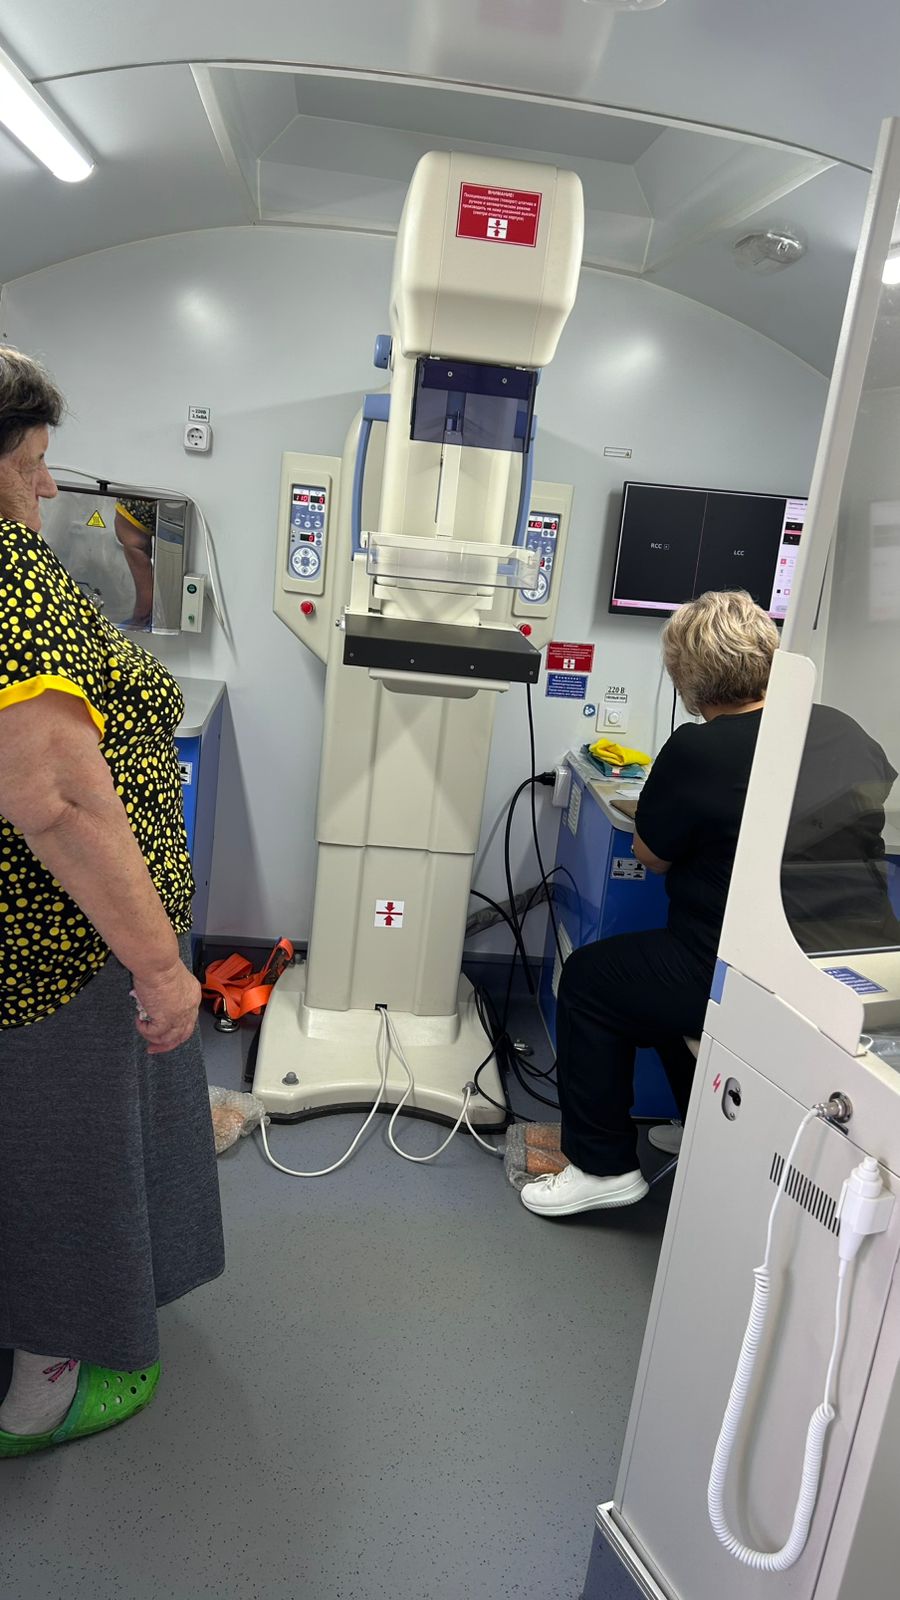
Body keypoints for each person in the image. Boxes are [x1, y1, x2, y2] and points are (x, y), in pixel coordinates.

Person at [0, 347, 223, 1455]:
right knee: (66, 1155)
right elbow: (60, 804)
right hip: (63, 949)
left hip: (55, 939)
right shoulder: (8, 581)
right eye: (31, 463)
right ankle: (54, 1368)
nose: (48, 486)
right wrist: (162, 966)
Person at [521, 588, 898, 1220]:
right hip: (856, 956)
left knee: (592, 982)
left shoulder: (699, 749)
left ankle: (602, 1167)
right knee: (659, 985)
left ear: (689, 681)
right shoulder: (840, 727)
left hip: (750, 968)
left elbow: (652, 854)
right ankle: (704, 1126)